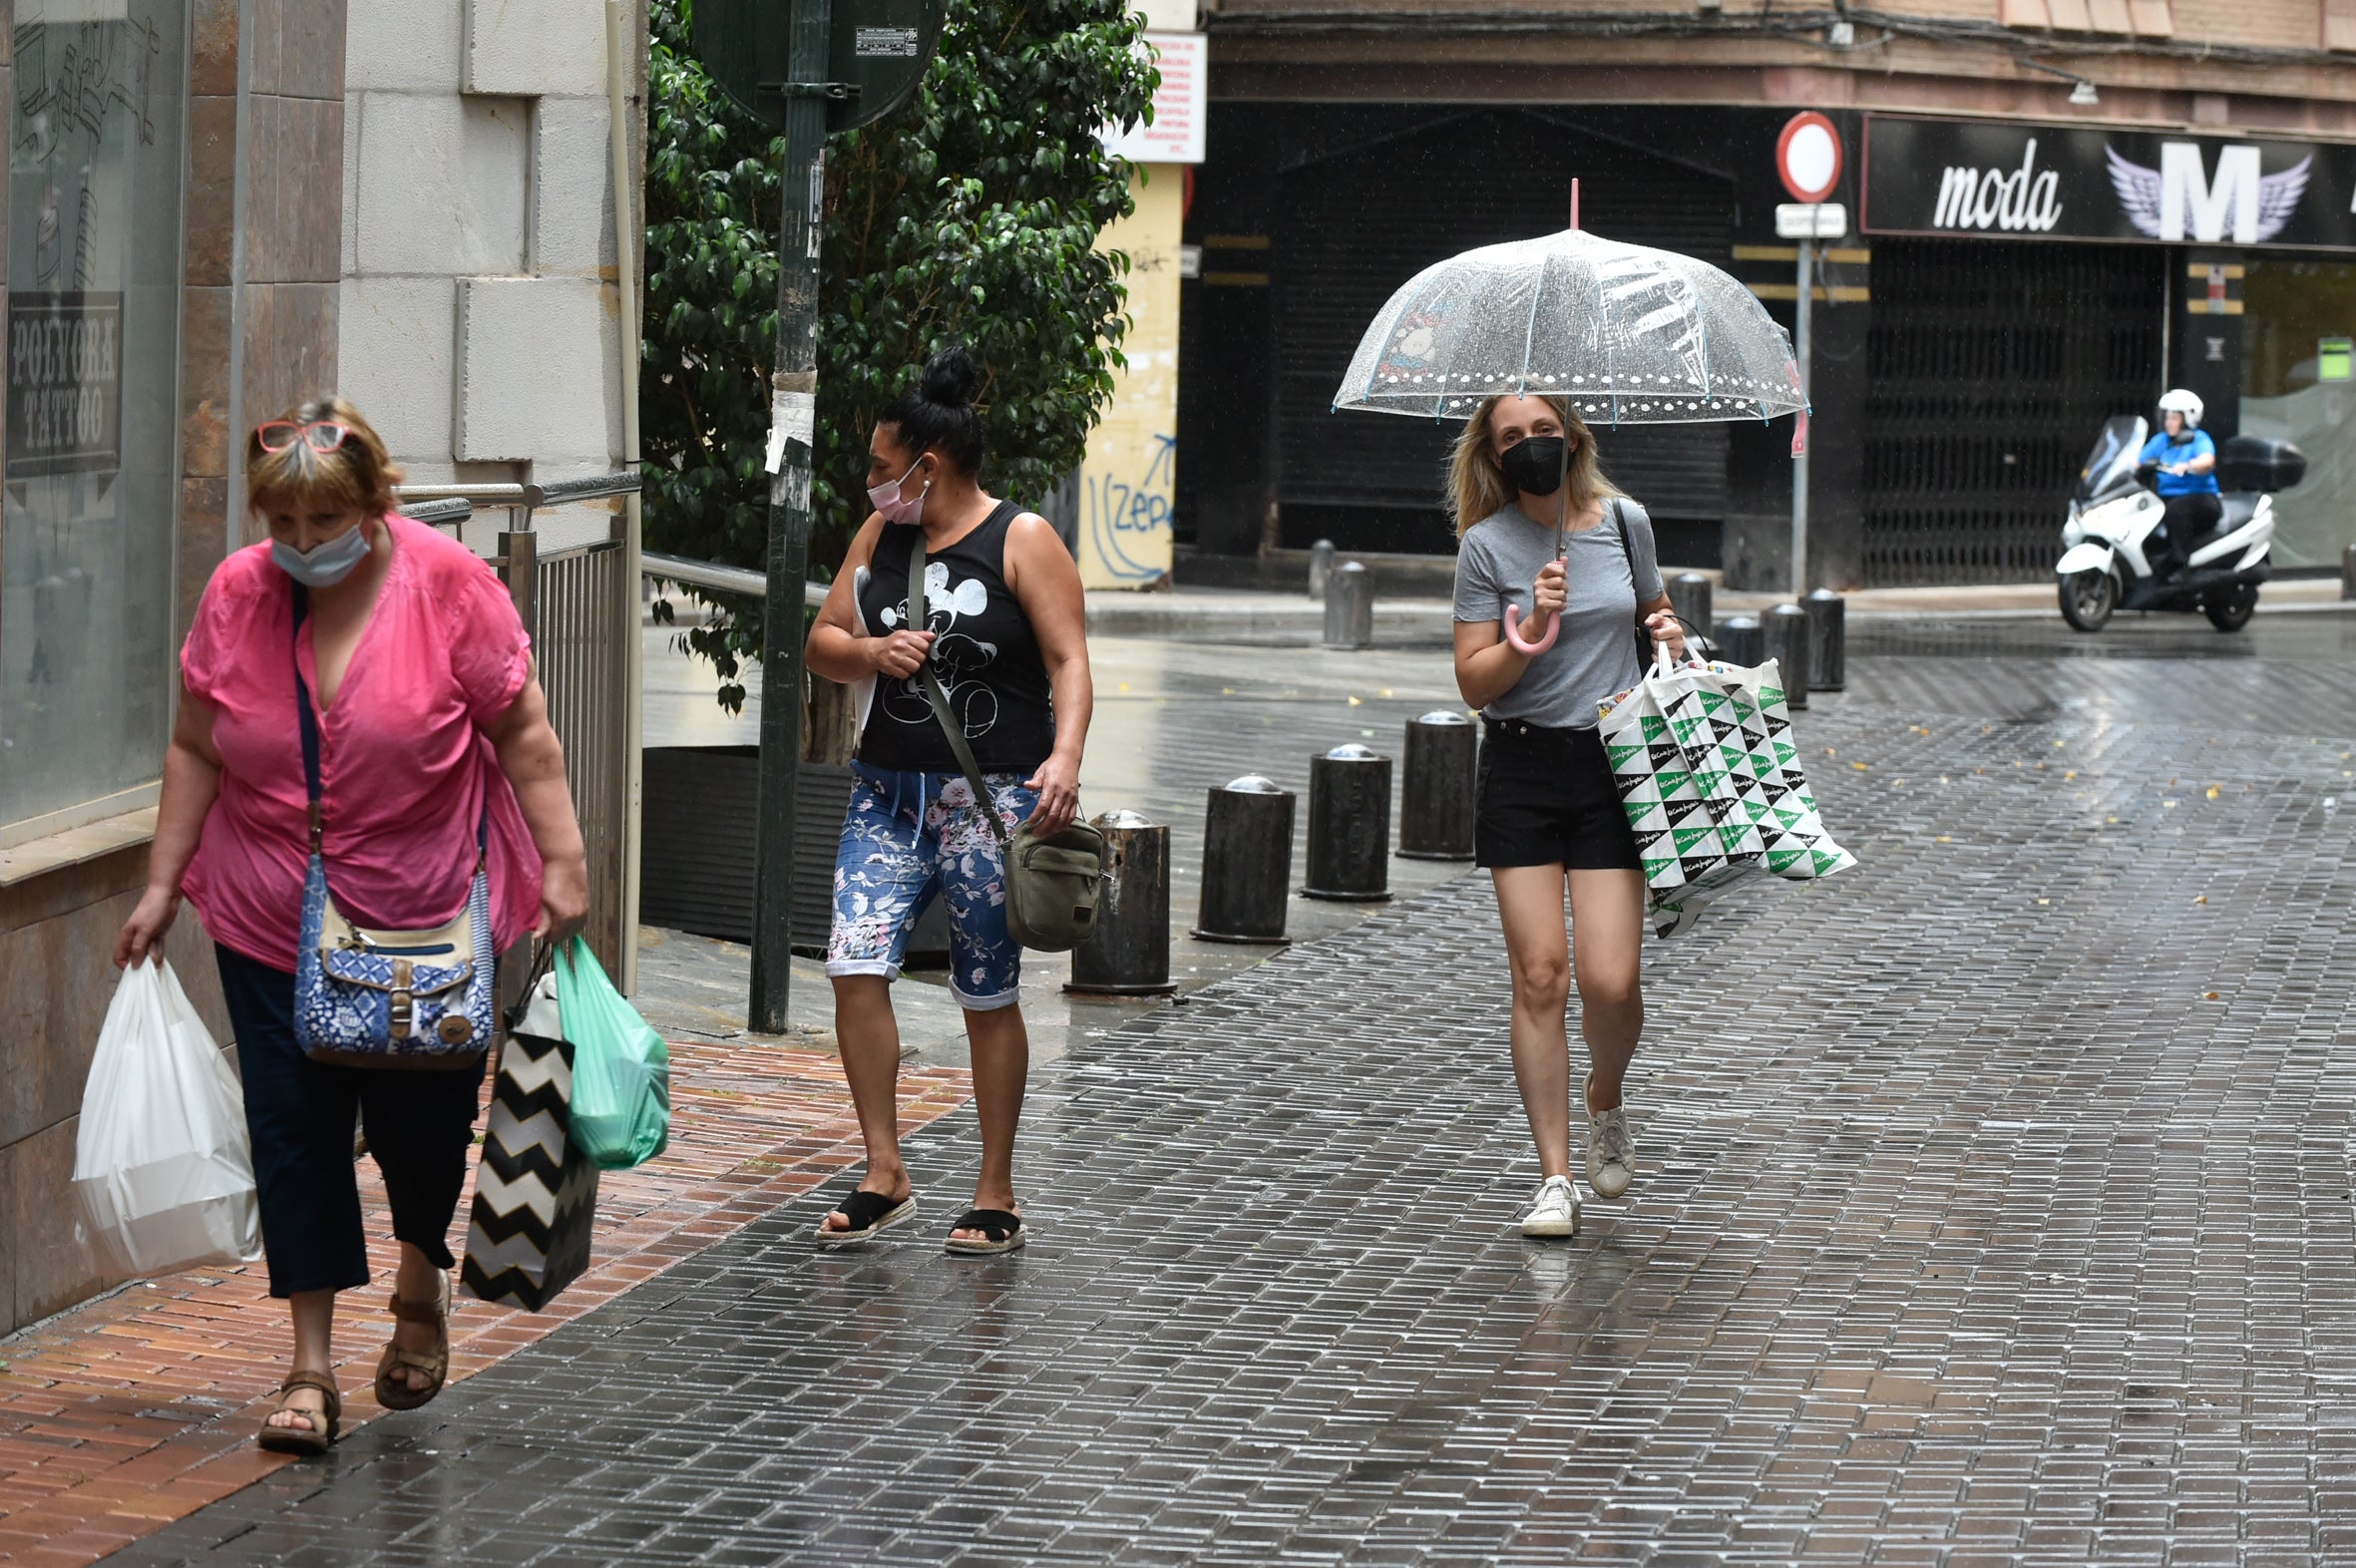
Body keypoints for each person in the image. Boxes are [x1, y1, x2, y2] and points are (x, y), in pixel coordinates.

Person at [114, 398, 589, 1454]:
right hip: (268, 910)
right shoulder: (238, 593)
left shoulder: (448, 585)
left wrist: (563, 862)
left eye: (322, 523)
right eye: (281, 524)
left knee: (423, 1129)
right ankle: (309, 1368)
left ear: (376, 504)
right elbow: (195, 745)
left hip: (423, 910)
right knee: (295, 1131)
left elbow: (522, 732)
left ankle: (421, 1279)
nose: (299, 544)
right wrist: (160, 885)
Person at [804, 345, 1092, 1257]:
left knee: (986, 990)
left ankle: (995, 1189)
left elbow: (1069, 659)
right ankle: (884, 1170)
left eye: (883, 467)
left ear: (927, 467)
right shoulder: (879, 536)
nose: (872, 482)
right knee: (854, 964)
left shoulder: (1022, 538)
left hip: (990, 801)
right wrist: (870, 653)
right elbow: (822, 639)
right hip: (886, 794)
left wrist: (1065, 758)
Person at [1449, 394, 1685, 1241]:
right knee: (1541, 975)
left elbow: (1655, 615)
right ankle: (1554, 1178)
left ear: (1572, 437)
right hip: (1521, 765)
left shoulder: (1625, 522)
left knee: (1612, 982)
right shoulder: (1486, 546)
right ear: (1493, 455)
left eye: (1543, 432)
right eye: (1512, 437)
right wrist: (1535, 625)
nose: (1531, 446)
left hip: (1613, 765)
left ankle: (1605, 1094)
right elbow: (1472, 684)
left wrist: (1670, 632)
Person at [2140, 388, 2220, 578]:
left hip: (2201, 497)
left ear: (2187, 419)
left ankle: (2181, 565)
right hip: (2166, 497)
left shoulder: (2198, 439)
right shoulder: (2161, 440)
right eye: (2166, 417)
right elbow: (2137, 460)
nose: (2168, 422)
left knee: (2176, 510)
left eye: (2174, 418)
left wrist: (2188, 465)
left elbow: (2207, 461)